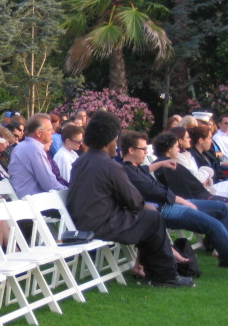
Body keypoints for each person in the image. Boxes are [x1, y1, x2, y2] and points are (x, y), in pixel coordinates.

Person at [67, 111, 194, 287]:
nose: (117, 144)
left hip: (81, 223)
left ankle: (150, 270)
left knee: (147, 218)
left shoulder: (80, 162)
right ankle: (165, 276)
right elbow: (133, 200)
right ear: (109, 140)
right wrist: (146, 207)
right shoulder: (110, 166)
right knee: (153, 218)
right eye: (116, 139)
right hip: (102, 225)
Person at [122, 131, 228, 270]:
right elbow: (153, 191)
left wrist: (162, 163)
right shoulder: (128, 171)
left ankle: (222, 251)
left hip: (172, 204)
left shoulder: (134, 168)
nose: (146, 152)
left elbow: (145, 169)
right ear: (131, 150)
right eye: (143, 149)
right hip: (166, 209)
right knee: (213, 225)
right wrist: (183, 201)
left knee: (223, 208)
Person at [8, 113, 67, 197]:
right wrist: (69, 191)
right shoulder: (35, 150)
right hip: (35, 201)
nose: (53, 132)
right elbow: (49, 185)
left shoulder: (20, 146)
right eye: (49, 130)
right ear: (38, 133)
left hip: (27, 198)